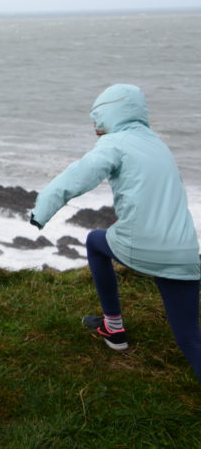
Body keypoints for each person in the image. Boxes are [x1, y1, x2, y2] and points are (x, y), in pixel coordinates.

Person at [30, 84, 201, 383]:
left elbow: (79, 174)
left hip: (142, 245)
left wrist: (41, 210)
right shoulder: (156, 143)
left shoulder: (115, 143)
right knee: (189, 337)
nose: (95, 125)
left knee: (95, 241)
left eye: (97, 118)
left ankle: (113, 327)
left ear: (109, 114)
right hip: (184, 251)